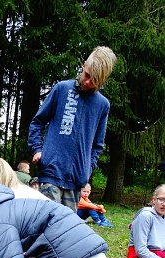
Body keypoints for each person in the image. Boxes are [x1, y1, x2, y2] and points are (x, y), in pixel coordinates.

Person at [28, 46, 117, 211]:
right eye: (87, 75)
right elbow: (38, 122)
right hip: (50, 173)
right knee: (47, 221)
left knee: (67, 225)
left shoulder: (102, 105)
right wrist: (37, 149)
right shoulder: (62, 89)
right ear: (84, 65)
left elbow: (97, 145)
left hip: (76, 181)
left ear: (102, 80)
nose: (87, 82)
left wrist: (87, 169)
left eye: (94, 79)